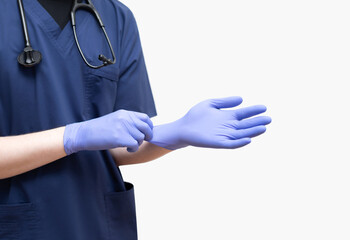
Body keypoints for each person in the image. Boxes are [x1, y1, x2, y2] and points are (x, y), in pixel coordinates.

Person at [0, 0, 271, 239]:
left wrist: (174, 135)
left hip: (97, 222)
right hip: (21, 223)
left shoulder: (116, 18)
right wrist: (73, 136)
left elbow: (114, 147)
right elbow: (89, 134)